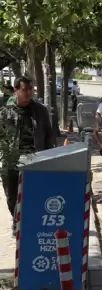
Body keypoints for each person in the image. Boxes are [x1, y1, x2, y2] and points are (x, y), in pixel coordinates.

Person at [1, 76, 56, 218]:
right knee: (12, 196)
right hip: (11, 161)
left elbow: (49, 135)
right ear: (15, 91)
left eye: (31, 89)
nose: (29, 92)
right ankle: (16, 221)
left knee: (35, 194)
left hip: (35, 159)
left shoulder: (40, 111)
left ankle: (30, 222)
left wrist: (48, 157)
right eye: (24, 89)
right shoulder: (5, 111)